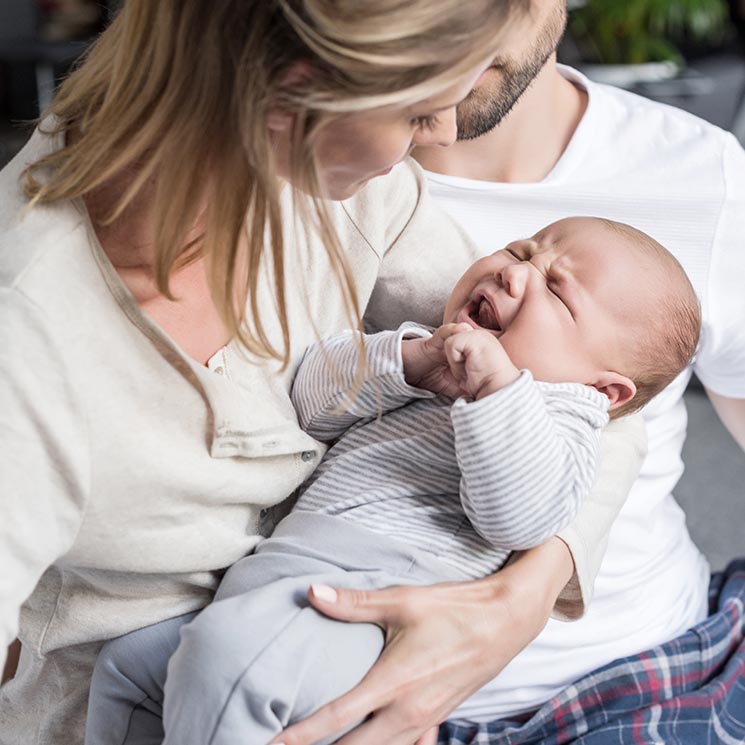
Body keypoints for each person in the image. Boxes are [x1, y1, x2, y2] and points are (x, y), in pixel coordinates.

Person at [0, 2, 650, 744]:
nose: (440, 134)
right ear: (291, 93)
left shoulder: (340, 188)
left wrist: (512, 605)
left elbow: (602, 391)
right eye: (415, 114)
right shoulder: (28, 339)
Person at [84, 217, 700, 745]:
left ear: (602, 389)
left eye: (557, 293)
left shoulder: (563, 420)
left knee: (226, 664)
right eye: (519, 251)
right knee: (127, 670)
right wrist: (410, 361)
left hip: (369, 611)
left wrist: (498, 392)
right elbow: (310, 401)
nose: (515, 274)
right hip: (271, 586)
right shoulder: (426, 358)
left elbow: (519, 517)